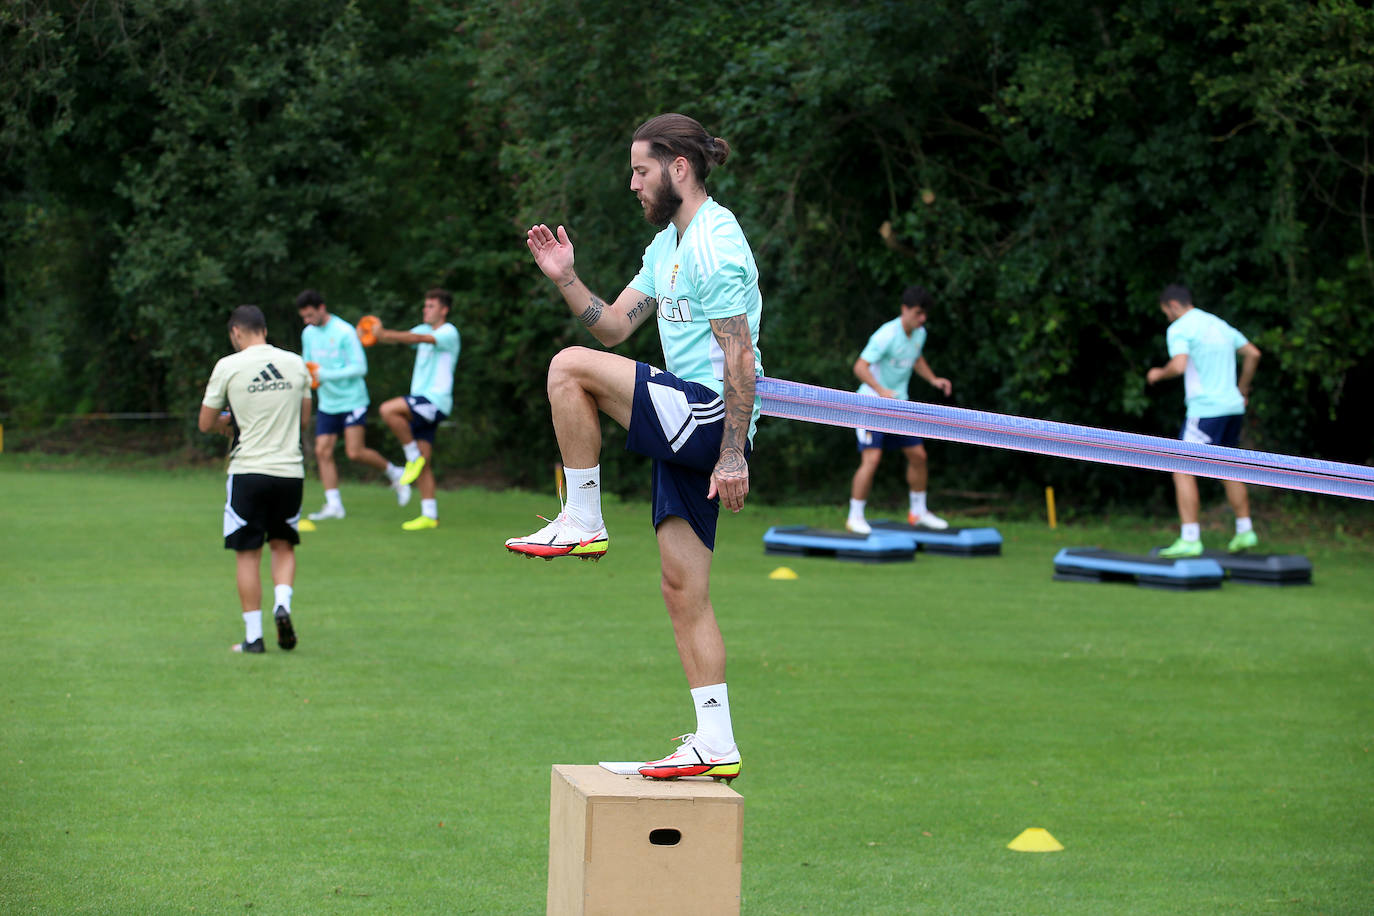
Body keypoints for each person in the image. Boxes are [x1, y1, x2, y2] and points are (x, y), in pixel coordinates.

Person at [505, 113, 761, 782]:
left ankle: (584, 519)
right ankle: (715, 740)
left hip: (707, 415)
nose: (632, 184)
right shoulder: (667, 247)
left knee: (567, 367)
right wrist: (565, 275)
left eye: (641, 170)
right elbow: (615, 327)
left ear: (679, 167)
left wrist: (734, 452)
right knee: (683, 590)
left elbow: (741, 358)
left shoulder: (716, 244)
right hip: (691, 423)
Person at [198, 305, 312, 654]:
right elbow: (304, 419)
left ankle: (253, 637)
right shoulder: (296, 364)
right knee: (283, 545)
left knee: (247, 554)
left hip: (248, 471)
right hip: (289, 472)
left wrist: (227, 422)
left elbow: (205, 423)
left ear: (236, 332)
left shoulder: (228, 366)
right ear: (264, 329)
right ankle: (283, 605)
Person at [1146, 283, 1262, 557]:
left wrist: (1157, 374)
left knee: (1182, 468)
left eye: (1166, 312)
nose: (1167, 318)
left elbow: (1179, 365)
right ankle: (1245, 531)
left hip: (1206, 409)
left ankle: (1190, 538)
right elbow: (1253, 354)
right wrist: (1242, 389)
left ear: (1173, 306)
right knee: (1228, 467)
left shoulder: (1180, 328)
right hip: (1233, 407)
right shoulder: (1218, 324)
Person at [844, 285, 954, 534]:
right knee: (872, 459)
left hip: (899, 406)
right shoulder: (886, 335)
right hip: (870, 405)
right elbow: (860, 367)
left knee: (919, 456)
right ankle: (855, 516)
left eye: (925, 314)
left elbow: (915, 358)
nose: (922, 318)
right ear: (904, 310)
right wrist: (881, 390)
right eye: (918, 313)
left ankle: (918, 512)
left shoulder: (919, 333)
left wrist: (933, 379)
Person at [296, 289, 412, 520]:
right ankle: (334, 505)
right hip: (328, 401)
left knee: (354, 452)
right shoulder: (308, 333)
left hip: (352, 400)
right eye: (304, 317)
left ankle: (394, 472)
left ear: (321, 308)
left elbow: (360, 368)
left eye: (310, 315)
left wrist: (326, 374)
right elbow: (307, 364)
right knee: (322, 450)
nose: (307, 321)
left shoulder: (344, 331)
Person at [366, 288, 461, 531]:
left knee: (388, 410)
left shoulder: (448, 332)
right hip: (422, 402)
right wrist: (374, 334)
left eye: (431, 306)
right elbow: (400, 337)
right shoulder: (422, 330)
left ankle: (410, 456)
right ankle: (429, 515)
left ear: (444, 310)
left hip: (434, 401)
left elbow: (416, 339)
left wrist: (384, 332)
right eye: (425, 305)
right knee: (425, 464)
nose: (425, 309)